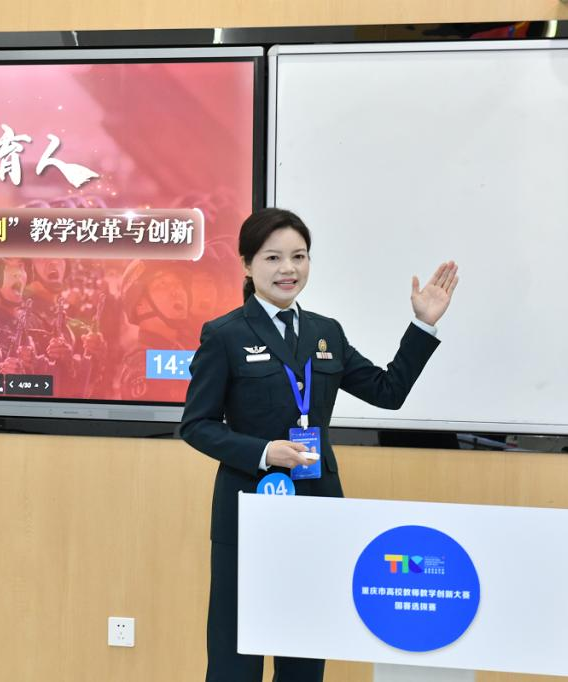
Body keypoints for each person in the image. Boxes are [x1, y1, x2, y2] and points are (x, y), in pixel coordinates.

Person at [179, 208, 458, 682]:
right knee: (236, 650)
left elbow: (388, 391)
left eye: (299, 256)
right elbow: (197, 425)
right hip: (248, 506)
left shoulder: (326, 332)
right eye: (273, 258)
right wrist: (264, 452)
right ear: (246, 264)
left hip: (317, 505)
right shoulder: (224, 334)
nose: (288, 269)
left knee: (306, 645)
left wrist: (423, 326)